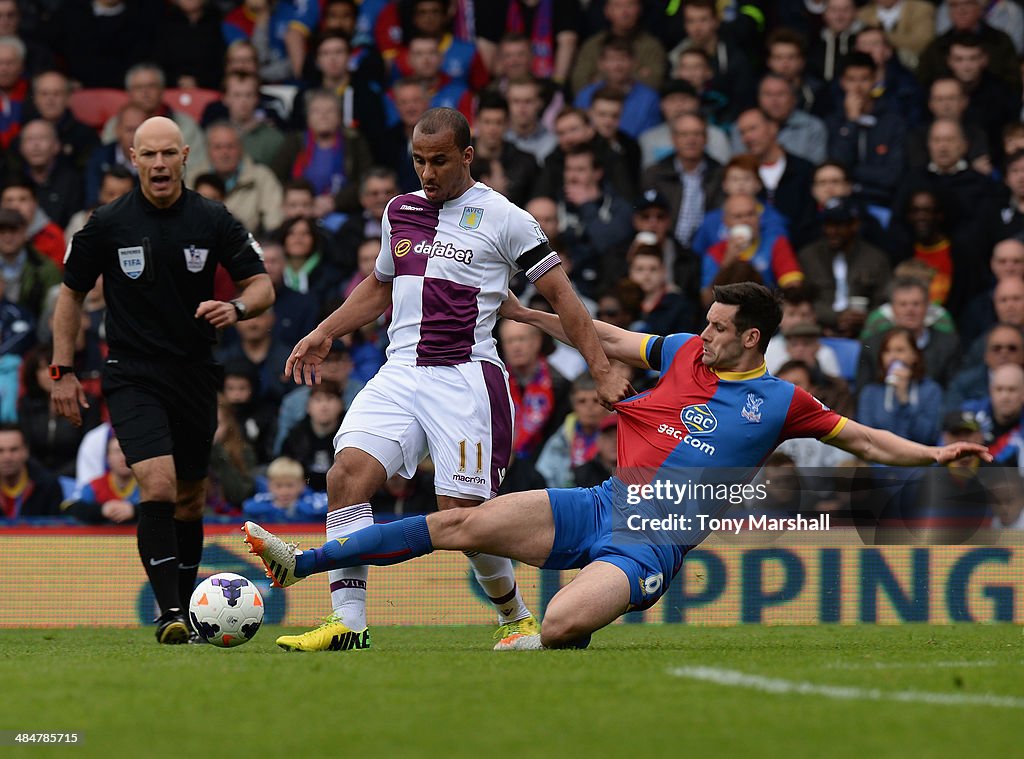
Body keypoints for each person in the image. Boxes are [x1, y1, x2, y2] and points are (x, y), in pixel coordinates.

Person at [244, 282, 990, 649]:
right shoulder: (684, 352)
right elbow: (605, 334)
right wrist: (529, 313)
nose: (704, 333)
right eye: (706, 321)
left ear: (752, 336)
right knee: (461, 522)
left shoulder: (781, 400)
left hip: (650, 542)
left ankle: (578, 618)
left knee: (561, 624)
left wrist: (933, 452)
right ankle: (300, 562)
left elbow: (864, 440)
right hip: (600, 502)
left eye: (721, 327)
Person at [269, 107, 630, 653]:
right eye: (419, 160)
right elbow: (379, 284)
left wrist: (601, 371)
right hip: (400, 371)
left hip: (465, 378)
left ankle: (515, 617)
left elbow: (564, 299)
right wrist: (325, 332)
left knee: (462, 518)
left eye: (439, 161)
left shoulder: (508, 218)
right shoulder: (400, 210)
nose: (427, 173)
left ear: (467, 156)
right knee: (346, 476)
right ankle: (348, 621)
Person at [51, 116, 274, 645]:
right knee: (157, 484)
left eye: (167, 154)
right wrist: (61, 371)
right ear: (133, 158)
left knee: (192, 499)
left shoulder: (213, 219)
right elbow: (70, 294)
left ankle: (190, 613)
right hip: (131, 374)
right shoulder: (106, 223)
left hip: (194, 373)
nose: (157, 164)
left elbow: (262, 284)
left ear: (184, 157)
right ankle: (169, 612)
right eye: (148, 155)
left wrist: (236, 307)